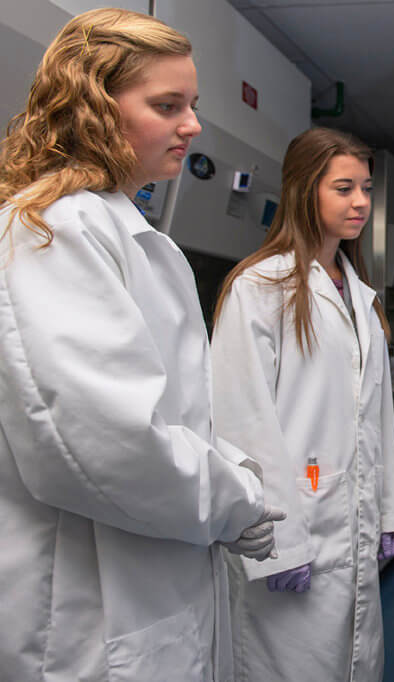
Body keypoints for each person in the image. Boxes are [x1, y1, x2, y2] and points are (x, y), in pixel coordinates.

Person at [0, 9, 282, 681]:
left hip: (156, 585)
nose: (193, 125)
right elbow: (100, 442)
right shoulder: (52, 229)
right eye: (167, 105)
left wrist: (234, 471)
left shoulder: (128, 232)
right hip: (89, 612)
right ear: (94, 107)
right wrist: (234, 499)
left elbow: (172, 414)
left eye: (192, 105)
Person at [210, 127, 394, 681]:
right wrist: (280, 543)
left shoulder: (359, 296)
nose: (362, 202)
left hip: (354, 525)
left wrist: (391, 510)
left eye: (366, 188)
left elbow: (376, 417)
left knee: (355, 661)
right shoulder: (259, 287)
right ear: (304, 191)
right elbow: (241, 420)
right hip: (290, 527)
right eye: (344, 188)